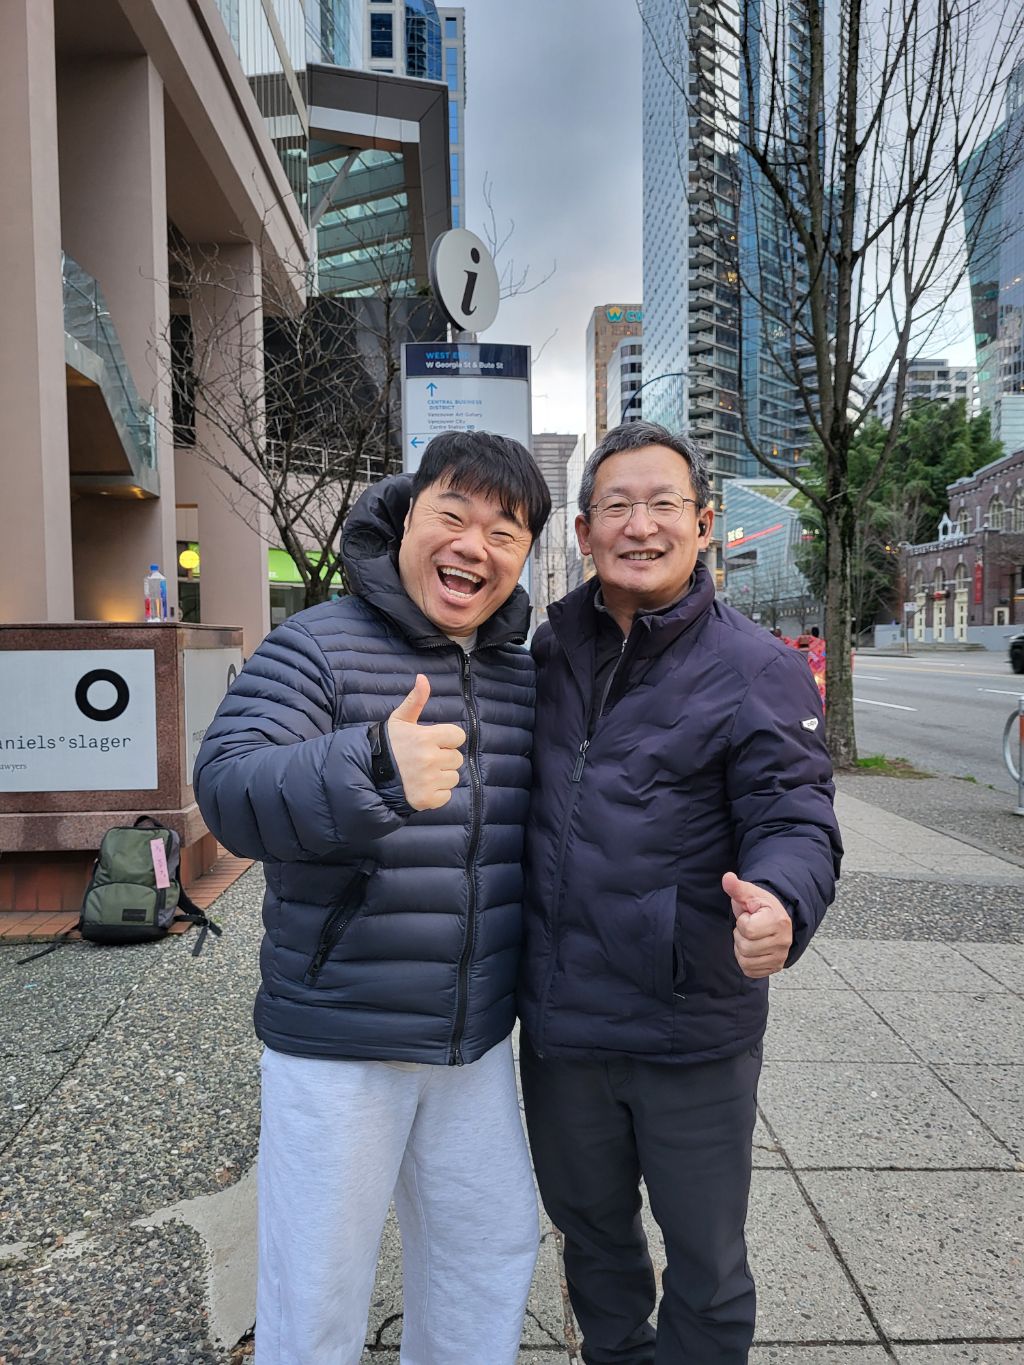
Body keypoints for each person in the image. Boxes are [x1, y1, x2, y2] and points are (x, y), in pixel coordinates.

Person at [194, 431, 551, 1365]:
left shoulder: (521, 673)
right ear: (406, 516)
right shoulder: (318, 642)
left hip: (474, 1040)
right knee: (316, 1286)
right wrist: (372, 765)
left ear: (524, 556)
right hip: (339, 1035)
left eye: (504, 532)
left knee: (489, 1250)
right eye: (453, 516)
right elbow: (228, 789)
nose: (474, 546)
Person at [519, 421, 842, 1365]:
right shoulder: (548, 652)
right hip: (565, 1025)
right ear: (585, 531)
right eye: (617, 505)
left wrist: (782, 900)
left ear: (703, 525)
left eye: (664, 504)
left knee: (706, 1261)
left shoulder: (759, 666)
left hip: (690, 1026)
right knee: (593, 1240)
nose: (641, 524)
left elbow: (795, 815)